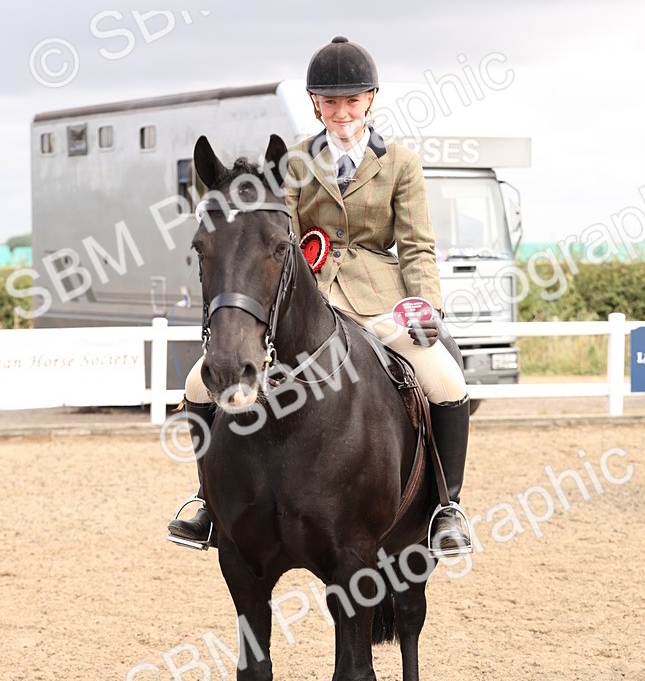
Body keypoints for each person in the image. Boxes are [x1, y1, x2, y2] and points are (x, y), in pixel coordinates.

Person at [167, 35, 472, 556]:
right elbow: (270, 234)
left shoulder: (401, 163)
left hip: (381, 303)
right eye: (330, 102)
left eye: (352, 100)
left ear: (370, 99)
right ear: (315, 104)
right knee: (200, 382)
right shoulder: (292, 163)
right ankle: (206, 501)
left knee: (443, 375)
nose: (341, 111)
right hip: (307, 300)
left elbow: (418, 245)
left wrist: (427, 306)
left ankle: (447, 505)